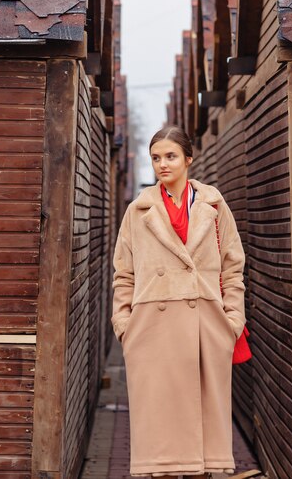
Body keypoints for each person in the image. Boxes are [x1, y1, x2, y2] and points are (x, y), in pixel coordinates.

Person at [111, 126, 246, 478]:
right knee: (162, 451)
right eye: (155, 158)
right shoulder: (137, 211)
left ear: (189, 158)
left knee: (202, 451)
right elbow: (123, 273)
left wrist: (232, 321)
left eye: (170, 156)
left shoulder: (214, 207)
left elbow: (234, 267)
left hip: (205, 328)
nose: (162, 165)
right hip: (152, 333)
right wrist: (124, 326)